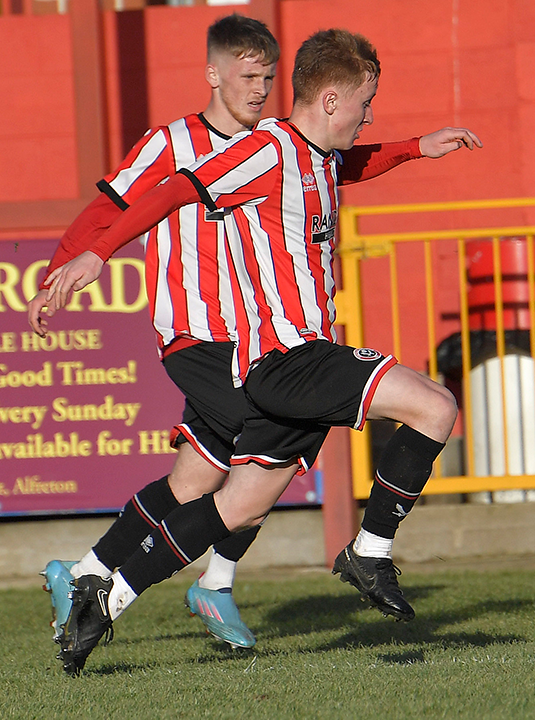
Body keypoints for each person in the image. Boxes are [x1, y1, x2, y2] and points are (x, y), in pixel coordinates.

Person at [45, 28, 482, 676]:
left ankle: (104, 601)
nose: (369, 116)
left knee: (232, 504)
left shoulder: (322, 153)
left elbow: (354, 161)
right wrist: (94, 253)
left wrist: (420, 148)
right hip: (288, 357)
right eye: (365, 103)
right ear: (332, 100)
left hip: (285, 364)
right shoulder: (267, 150)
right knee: (436, 407)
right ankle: (369, 550)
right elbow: (174, 190)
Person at [29, 13, 281, 650]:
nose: (260, 89)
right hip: (194, 334)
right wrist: (59, 273)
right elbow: (108, 209)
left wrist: (414, 146)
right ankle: (215, 583)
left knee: (194, 482)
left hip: (257, 336)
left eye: (268, 78)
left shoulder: (278, 141)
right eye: (249, 76)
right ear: (213, 74)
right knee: (278, 431)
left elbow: (344, 155)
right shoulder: (169, 143)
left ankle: (83, 571)